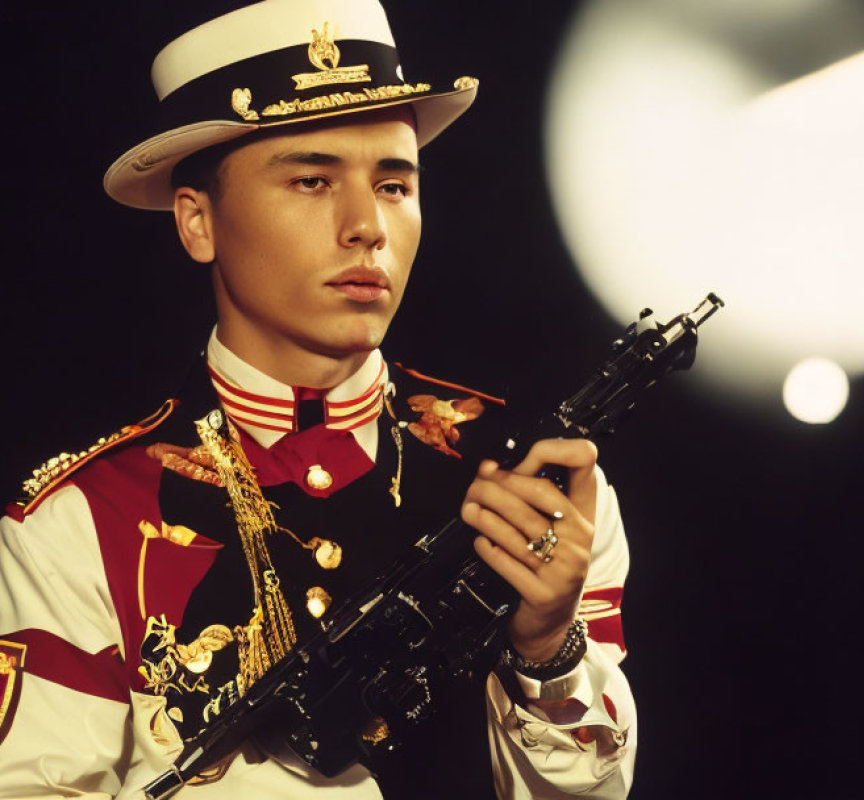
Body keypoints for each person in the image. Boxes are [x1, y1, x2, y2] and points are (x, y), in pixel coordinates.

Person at [0, 1, 635, 797]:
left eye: (395, 184)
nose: (367, 225)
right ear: (198, 224)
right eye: (311, 179)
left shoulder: (534, 483)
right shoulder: (80, 522)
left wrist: (548, 649)